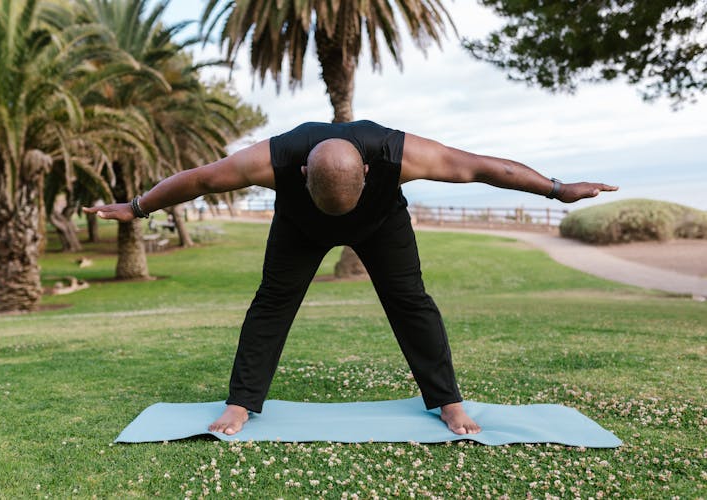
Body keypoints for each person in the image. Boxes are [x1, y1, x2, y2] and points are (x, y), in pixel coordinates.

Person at [84, 120, 618, 436]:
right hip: (300, 227)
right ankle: (241, 402)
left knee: (410, 300)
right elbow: (198, 180)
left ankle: (446, 399)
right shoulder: (270, 159)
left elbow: (477, 166)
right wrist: (137, 206)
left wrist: (555, 189)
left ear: (368, 171)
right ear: (298, 176)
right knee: (272, 302)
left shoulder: (398, 152)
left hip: (381, 221)